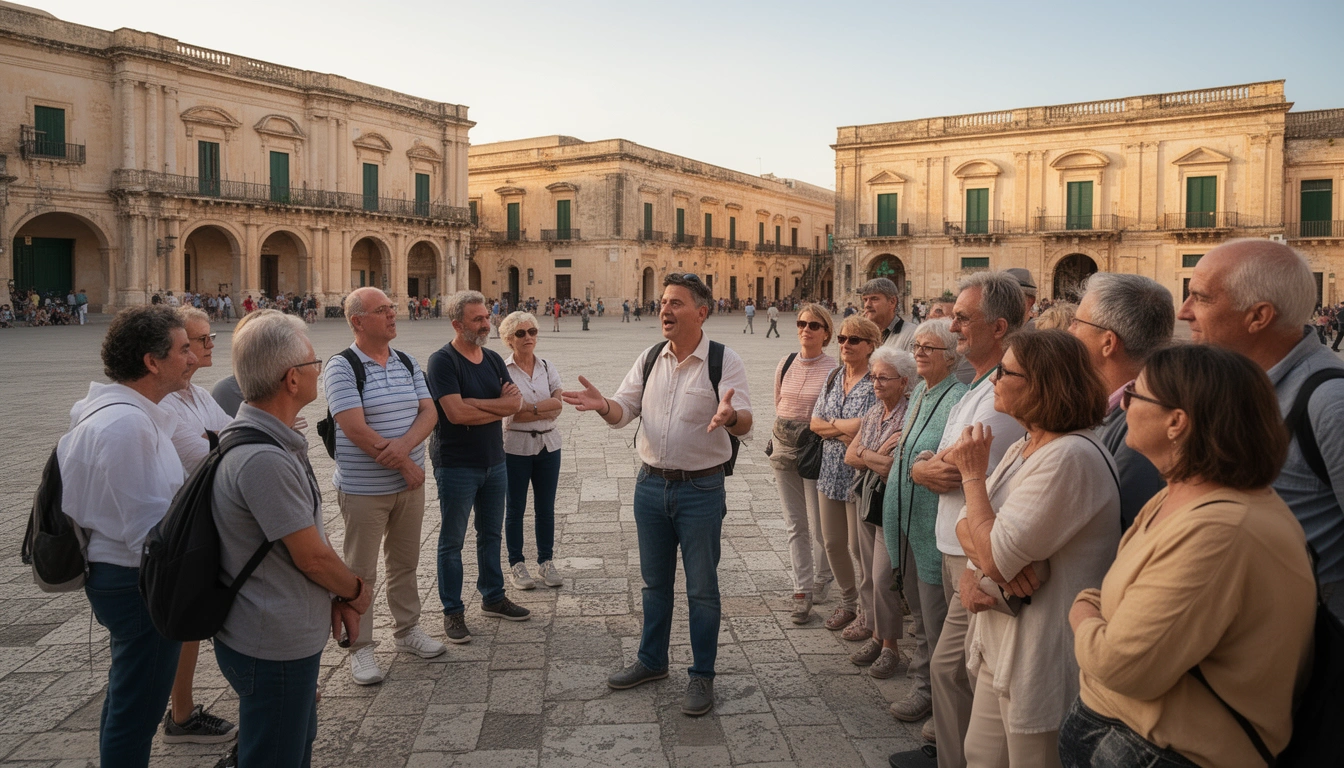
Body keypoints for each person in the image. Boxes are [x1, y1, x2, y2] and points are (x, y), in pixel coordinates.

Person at [1062, 345, 1316, 768]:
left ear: (1177, 421)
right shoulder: (1179, 494)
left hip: (1166, 751)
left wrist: (1082, 609)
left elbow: (1123, 664)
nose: (1122, 404)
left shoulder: (1220, 530)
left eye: (1134, 395)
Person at [562, 273, 752, 717]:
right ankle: (652, 661)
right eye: (664, 301)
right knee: (654, 583)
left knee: (703, 588)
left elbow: (744, 420)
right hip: (650, 486)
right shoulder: (650, 357)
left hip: (702, 488)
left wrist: (729, 417)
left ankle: (702, 675)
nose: (664, 309)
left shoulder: (724, 361)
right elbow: (623, 410)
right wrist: (602, 405)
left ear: (702, 312)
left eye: (677, 303)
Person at [944, 330, 1119, 766]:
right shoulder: (1027, 445)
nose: (992, 380)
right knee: (980, 755)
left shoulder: (1068, 457)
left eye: (1005, 371)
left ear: (1042, 384)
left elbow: (994, 549)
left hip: (1039, 655)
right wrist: (973, 572)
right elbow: (978, 535)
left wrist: (971, 477)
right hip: (1002, 642)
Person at [212, 311, 372, 767]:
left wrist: (334, 598)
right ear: (291, 380)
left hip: (279, 630)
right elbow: (312, 558)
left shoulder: (268, 440)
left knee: (293, 741)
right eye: (313, 361)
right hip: (271, 639)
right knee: (277, 754)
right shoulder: (264, 459)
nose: (319, 368)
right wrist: (356, 592)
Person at [58, 305, 195, 767]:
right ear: (151, 362)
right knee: (138, 708)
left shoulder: (116, 414)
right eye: (183, 349)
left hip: (119, 573)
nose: (193, 358)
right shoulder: (126, 426)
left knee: (128, 695)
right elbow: (150, 531)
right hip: (136, 580)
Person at [1179, 238, 1344, 620]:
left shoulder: (1329, 402)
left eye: (1200, 298)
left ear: (1258, 316)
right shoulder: (1233, 384)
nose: (1183, 311)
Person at [918, 271, 1027, 768]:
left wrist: (930, 465)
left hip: (974, 552)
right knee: (956, 668)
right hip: (951, 541)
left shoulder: (1002, 393)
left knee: (955, 669)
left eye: (963, 317)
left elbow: (956, 470)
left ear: (999, 326)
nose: (951, 325)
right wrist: (927, 464)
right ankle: (945, 749)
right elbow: (939, 461)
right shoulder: (976, 385)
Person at [325, 288, 444, 685]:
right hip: (363, 489)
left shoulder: (407, 361)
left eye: (393, 308)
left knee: (405, 563)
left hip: (409, 486)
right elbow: (354, 427)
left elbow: (430, 413)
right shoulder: (341, 367)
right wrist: (407, 464)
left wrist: (407, 457)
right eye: (383, 310)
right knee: (361, 570)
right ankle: (361, 649)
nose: (394, 314)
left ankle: (407, 630)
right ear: (358, 321)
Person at [427, 291, 530, 644]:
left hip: (494, 460)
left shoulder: (492, 359)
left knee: (491, 534)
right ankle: (453, 612)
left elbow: (514, 404)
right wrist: (494, 405)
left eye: (487, 317)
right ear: (457, 324)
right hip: (456, 464)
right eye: (478, 320)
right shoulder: (442, 361)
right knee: (452, 541)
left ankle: (493, 596)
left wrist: (477, 403)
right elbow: (454, 414)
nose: (487, 324)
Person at [157, 308, 239, 745]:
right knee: (180, 623)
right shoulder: (165, 400)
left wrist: (228, 439)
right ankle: (178, 713)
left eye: (206, 340)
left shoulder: (196, 394)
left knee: (191, 623)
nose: (208, 347)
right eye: (195, 342)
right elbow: (205, 453)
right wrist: (229, 440)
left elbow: (231, 434)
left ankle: (181, 712)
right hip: (178, 526)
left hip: (202, 517)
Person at [883, 318, 968, 739]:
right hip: (906, 521)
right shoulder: (919, 392)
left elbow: (948, 466)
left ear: (951, 357)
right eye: (917, 346)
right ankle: (924, 686)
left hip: (932, 529)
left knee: (935, 620)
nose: (918, 353)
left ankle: (936, 701)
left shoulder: (959, 398)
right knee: (919, 613)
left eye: (928, 349)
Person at [1069, 273, 1173, 529]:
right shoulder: (1109, 410)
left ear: (1108, 342)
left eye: (1076, 322)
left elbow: (1114, 530)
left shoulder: (1141, 428)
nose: (1069, 331)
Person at [843, 346, 916, 678]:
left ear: (903, 382)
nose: (875, 383)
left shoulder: (909, 414)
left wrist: (866, 454)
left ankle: (891, 647)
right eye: (873, 377)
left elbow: (893, 465)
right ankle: (875, 634)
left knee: (886, 576)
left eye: (883, 378)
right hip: (866, 498)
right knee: (870, 573)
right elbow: (849, 456)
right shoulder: (874, 413)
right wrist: (874, 455)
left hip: (890, 501)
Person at [810, 315, 880, 633]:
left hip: (858, 476)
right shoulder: (834, 377)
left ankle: (870, 608)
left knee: (857, 546)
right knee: (832, 542)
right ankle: (848, 602)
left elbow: (868, 428)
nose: (845, 345)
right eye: (841, 339)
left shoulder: (878, 381)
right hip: (829, 472)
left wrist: (833, 428)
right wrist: (844, 430)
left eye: (853, 340)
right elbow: (814, 423)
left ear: (870, 345)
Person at [770, 304, 838, 624]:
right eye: (801, 323)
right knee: (794, 522)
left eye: (813, 325)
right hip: (784, 450)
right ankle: (802, 590)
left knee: (819, 523)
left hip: (815, 452)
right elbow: (779, 404)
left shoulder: (833, 370)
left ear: (826, 333)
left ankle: (823, 577)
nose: (805, 329)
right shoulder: (784, 363)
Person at [500, 311, 565, 590]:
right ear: (508, 339)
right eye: (521, 333)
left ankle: (546, 561)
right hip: (515, 447)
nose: (528, 337)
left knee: (545, 507)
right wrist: (541, 408)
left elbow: (558, 406)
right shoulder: (502, 371)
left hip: (549, 445)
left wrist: (529, 408)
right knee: (515, 508)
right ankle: (517, 564)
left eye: (532, 332)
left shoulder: (547, 366)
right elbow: (511, 414)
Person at [859, 277, 917, 352]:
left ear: (892, 302)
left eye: (874, 299)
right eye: (865, 300)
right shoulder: (859, 335)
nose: (867, 305)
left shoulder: (912, 335)